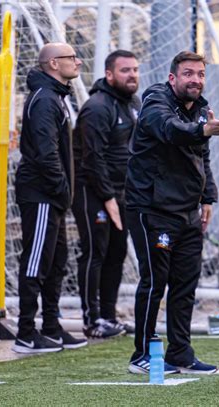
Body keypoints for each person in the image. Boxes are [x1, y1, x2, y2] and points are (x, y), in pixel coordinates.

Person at [125, 50, 219, 375]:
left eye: (200, 74)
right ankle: (141, 354)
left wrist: (208, 198)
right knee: (155, 281)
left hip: (187, 211)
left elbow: (202, 158)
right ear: (173, 78)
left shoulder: (201, 108)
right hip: (152, 209)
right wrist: (202, 131)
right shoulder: (155, 101)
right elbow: (170, 130)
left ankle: (180, 354)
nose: (195, 80)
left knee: (186, 284)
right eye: (188, 73)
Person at [13, 43, 87, 353]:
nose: (77, 61)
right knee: (36, 261)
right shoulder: (44, 100)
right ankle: (25, 333)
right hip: (42, 193)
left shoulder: (57, 96)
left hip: (54, 195)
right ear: (54, 64)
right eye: (71, 57)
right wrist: (61, 189)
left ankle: (52, 328)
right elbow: (46, 154)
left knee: (56, 261)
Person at [72, 50, 141, 339]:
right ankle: (92, 320)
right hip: (92, 191)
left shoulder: (134, 104)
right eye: (125, 70)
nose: (132, 75)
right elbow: (93, 158)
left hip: (121, 192)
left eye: (135, 69)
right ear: (109, 74)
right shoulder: (97, 107)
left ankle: (109, 317)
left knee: (117, 252)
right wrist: (109, 197)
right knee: (95, 253)